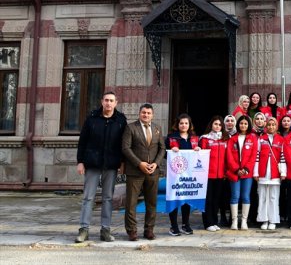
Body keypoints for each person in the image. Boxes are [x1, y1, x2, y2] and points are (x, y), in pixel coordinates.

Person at [75, 91, 128, 243]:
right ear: (102, 101)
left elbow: (123, 144)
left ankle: (105, 230)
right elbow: (83, 141)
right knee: (88, 198)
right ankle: (83, 230)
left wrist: (122, 163)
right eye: (106, 100)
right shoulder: (92, 118)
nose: (108, 103)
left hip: (111, 164)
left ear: (116, 103)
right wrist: (80, 161)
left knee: (108, 198)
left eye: (111, 100)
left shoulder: (120, 120)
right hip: (92, 163)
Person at [121, 103, 164, 241]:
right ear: (139, 113)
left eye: (148, 113)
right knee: (131, 202)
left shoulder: (157, 128)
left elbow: (162, 148)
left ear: (152, 115)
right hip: (135, 171)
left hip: (153, 172)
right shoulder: (130, 127)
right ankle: (132, 231)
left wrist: (156, 163)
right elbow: (126, 148)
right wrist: (139, 163)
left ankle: (149, 230)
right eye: (143, 112)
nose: (146, 115)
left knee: (151, 202)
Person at [167, 113, 201, 236]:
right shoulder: (171, 137)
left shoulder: (194, 138)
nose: (184, 125)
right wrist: (171, 151)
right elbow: (165, 154)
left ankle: (185, 224)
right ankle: (173, 226)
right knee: (175, 198)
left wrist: (198, 150)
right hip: (175, 175)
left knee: (186, 199)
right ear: (177, 124)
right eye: (181, 123)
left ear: (189, 125)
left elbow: (199, 157)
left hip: (189, 174)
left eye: (186, 123)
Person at [254, 116, 287, 230]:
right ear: (266, 126)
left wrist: (283, 172)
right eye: (269, 125)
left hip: (275, 174)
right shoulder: (261, 139)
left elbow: (282, 157)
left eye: (273, 125)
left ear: (276, 126)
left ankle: (273, 220)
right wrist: (255, 172)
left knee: (273, 197)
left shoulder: (280, 139)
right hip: (262, 173)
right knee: (262, 197)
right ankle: (264, 220)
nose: (271, 127)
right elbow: (256, 156)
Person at [225, 115, 257, 230]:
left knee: (245, 196)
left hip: (247, 173)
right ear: (238, 124)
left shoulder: (253, 138)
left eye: (245, 123)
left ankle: (244, 221)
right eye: (241, 123)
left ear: (248, 125)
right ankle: (234, 221)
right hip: (234, 173)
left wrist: (246, 169)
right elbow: (229, 156)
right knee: (235, 196)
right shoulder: (232, 138)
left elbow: (253, 156)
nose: (243, 125)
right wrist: (236, 169)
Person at [199, 115, 229, 231]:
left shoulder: (225, 138)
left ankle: (214, 221)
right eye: (215, 124)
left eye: (220, 124)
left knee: (217, 199)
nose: (218, 126)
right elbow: (201, 156)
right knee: (208, 199)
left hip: (220, 174)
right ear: (211, 125)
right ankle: (207, 223)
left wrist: (226, 171)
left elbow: (227, 157)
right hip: (207, 174)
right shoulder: (205, 138)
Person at [248, 112, 267, 224]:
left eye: (261, 119)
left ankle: (262, 216)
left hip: (264, 168)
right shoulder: (250, 134)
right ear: (254, 121)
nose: (259, 121)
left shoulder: (267, 133)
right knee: (252, 193)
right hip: (252, 167)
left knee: (263, 194)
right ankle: (252, 216)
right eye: (257, 119)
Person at [221, 114, 238, 226]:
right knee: (223, 195)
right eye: (227, 121)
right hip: (223, 170)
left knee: (234, 195)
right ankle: (223, 217)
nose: (230, 123)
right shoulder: (221, 135)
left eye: (232, 121)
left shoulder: (238, 135)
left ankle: (234, 218)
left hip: (235, 170)